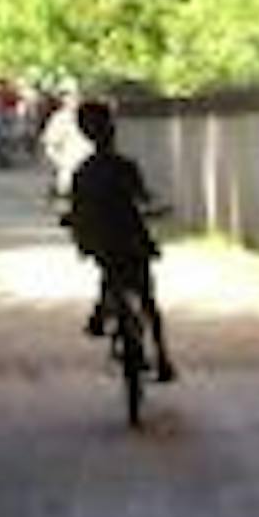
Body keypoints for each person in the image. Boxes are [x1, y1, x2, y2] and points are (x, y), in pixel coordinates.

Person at [64, 99, 177, 382]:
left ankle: (101, 310)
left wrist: (76, 229)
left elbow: (76, 210)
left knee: (108, 270)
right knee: (148, 298)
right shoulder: (125, 166)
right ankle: (163, 357)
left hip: (101, 239)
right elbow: (143, 198)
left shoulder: (83, 172)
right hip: (131, 236)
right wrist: (155, 209)